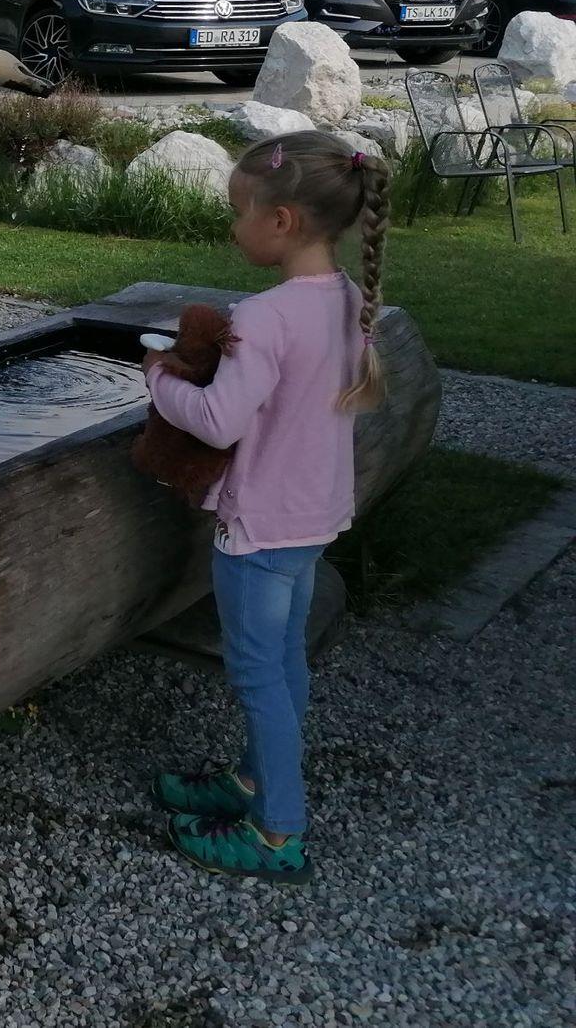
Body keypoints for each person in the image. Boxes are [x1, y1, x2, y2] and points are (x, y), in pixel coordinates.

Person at [146, 130, 391, 886]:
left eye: (239, 211)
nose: (233, 227)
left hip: (257, 530)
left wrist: (160, 379)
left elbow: (218, 422)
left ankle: (279, 830)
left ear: (280, 221)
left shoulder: (264, 316)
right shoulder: (348, 300)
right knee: (284, 661)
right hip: (313, 518)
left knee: (257, 676)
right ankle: (253, 779)